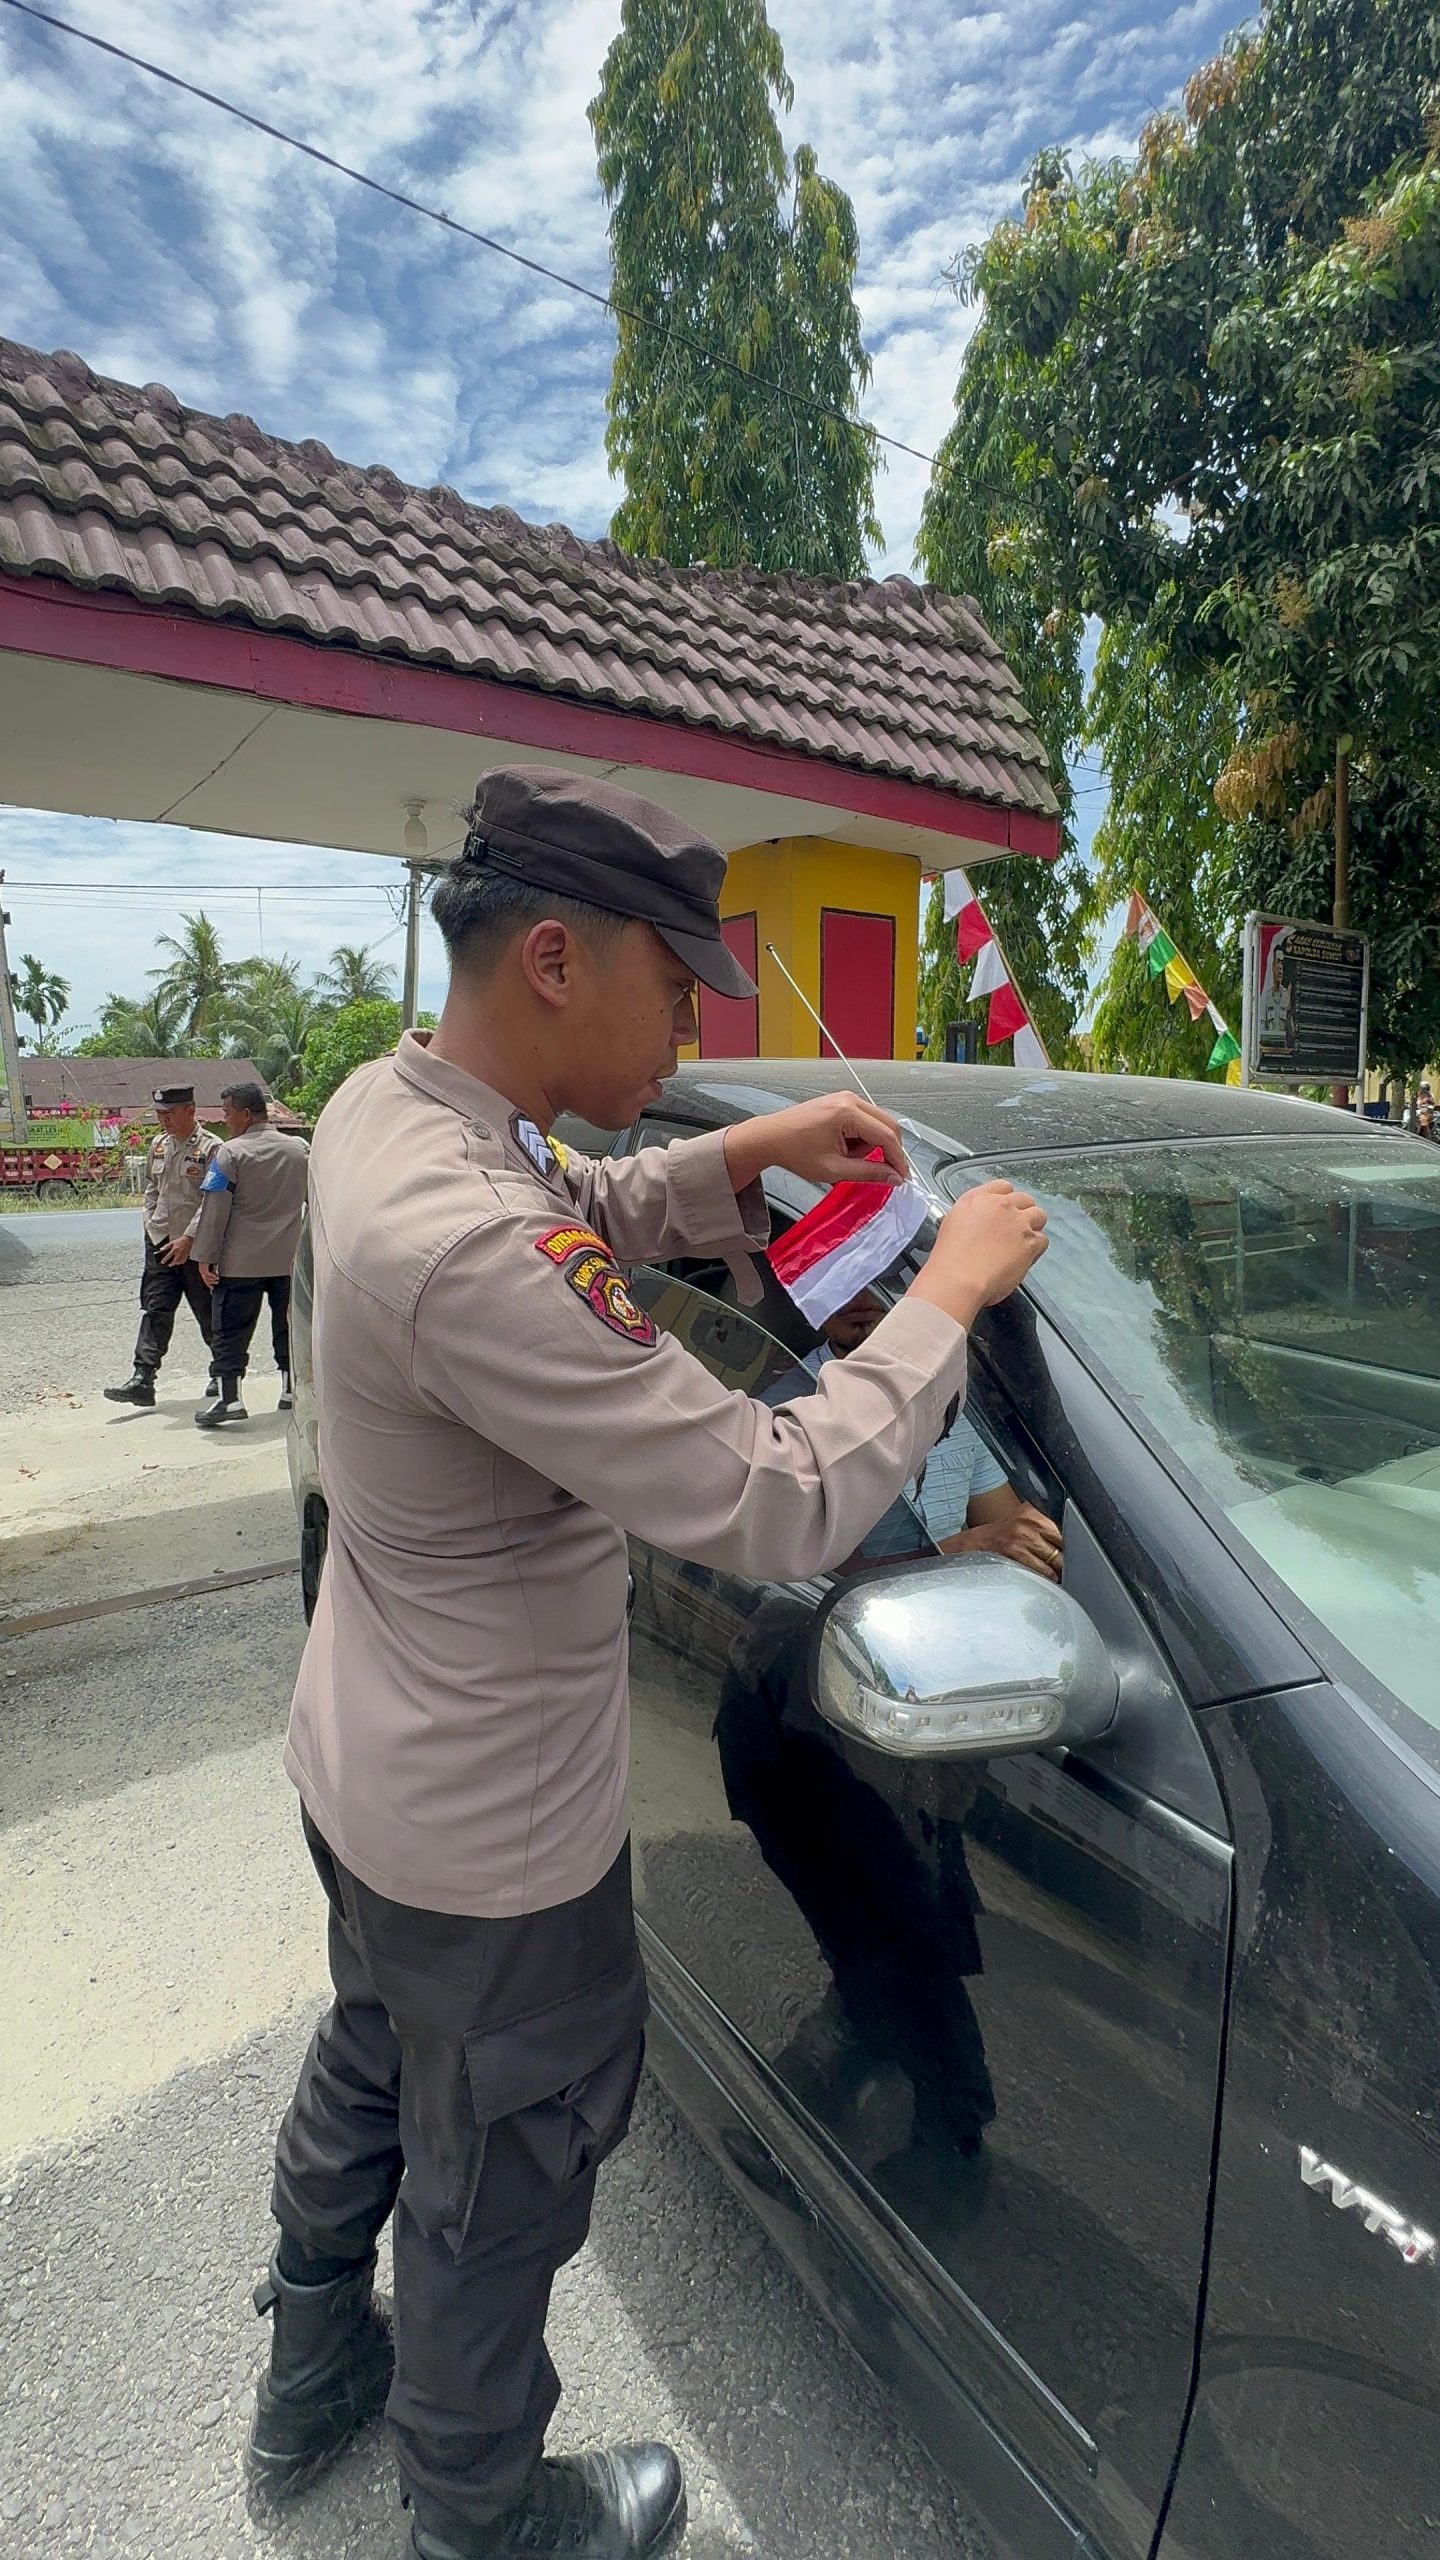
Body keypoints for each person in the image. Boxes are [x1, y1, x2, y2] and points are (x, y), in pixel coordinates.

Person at [248, 762, 1046, 2560]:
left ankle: (310, 2358)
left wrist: (743, 1156)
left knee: (379, 2052)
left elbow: (575, 1213)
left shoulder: (395, 1106)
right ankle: (479, 2514)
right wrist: (947, 1293)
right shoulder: (470, 1242)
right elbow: (771, 1495)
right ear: (552, 958)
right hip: (493, 1841)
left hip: (372, 1766)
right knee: (499, 2182)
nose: (697, 1012)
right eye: (675, 984)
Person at [815, 1287, 1063, 1578]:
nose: (857, 1295)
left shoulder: (956, 1390)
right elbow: (818, 1579)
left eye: (872, 1274)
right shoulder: (788, 1413)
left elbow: (1007, 1527)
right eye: (838, 1277)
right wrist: (967, 1548)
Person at [191, 1082, 310, 1428]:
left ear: (245, 1114)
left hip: (239, 1263)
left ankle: (230, 1399)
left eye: (227, 1114)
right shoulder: (299, 1150)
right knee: (288, 1325)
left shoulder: (228, 1154)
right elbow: (314, 1203)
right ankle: (290, 1390)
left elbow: (215, 1209)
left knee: (230, 1331)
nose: (225, 1122)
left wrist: (205, 1256)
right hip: (288, 1261)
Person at [103, 1084, 219, 1409]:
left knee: (208, 1311)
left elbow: (215, 1199)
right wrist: (151, 1223)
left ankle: (224, 1373)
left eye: (170, 1114)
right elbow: (153, 1188)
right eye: (159, 1114)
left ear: (190, 1111)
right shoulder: (158, 1145)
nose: (164, 1120)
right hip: (160, 1242)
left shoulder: (212, 1149)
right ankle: (143, 1378)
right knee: (155, 1309)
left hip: (196, 1248)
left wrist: (189, 1238)